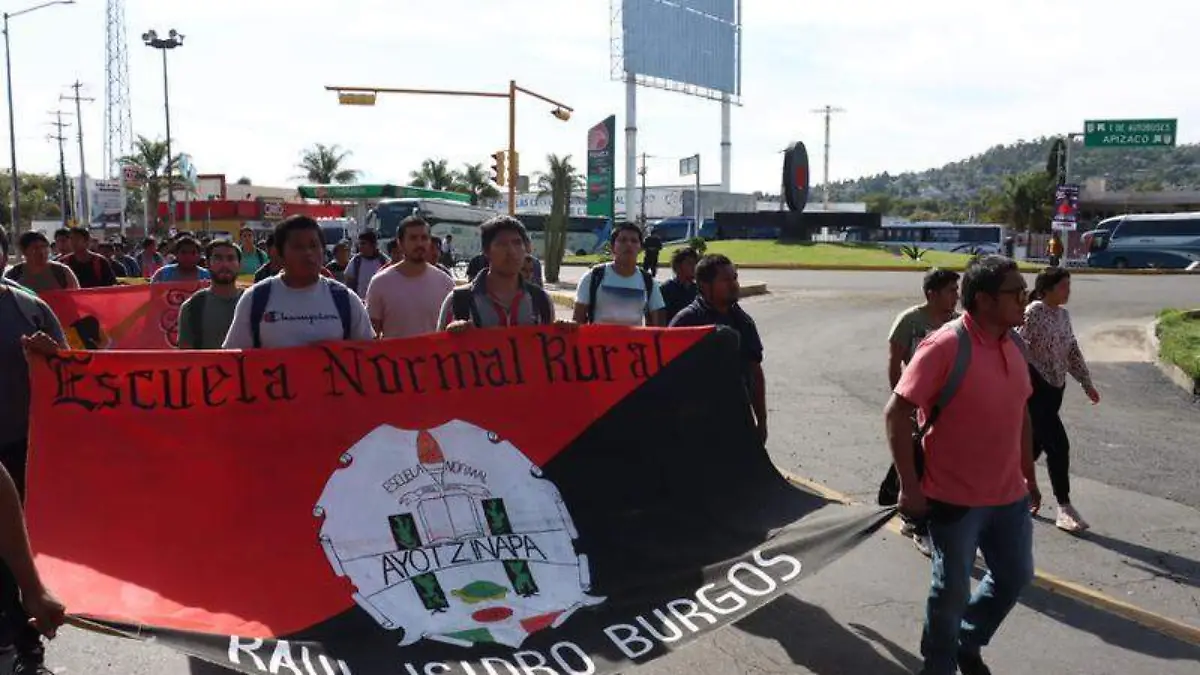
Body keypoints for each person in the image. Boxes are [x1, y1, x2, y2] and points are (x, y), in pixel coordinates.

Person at [884, 255, 1039, 675]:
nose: (1025, 299)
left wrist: (1029, 473)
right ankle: (938, 665)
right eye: (1016, 293)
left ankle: (966, 642)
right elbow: (896, 413)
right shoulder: (945, 346)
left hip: (1009, 495)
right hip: (953, 497)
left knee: (1014, 577)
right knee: (950, 591)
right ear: (985, 300)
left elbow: (1021, 412)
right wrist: (909, 486)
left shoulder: (1015, 344)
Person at [0, 226, 68, 674]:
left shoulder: (30, 308)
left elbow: (70, 370)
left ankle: (28, 650)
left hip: (20, 450)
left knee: (17, 556)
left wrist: (50, 354)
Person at [880, 268, 961, 556]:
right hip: (916, 405)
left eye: (957, 290)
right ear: (931, 294)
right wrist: (903, 405)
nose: (956, 296)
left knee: (939, 465)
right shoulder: (909, 321)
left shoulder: (956, 323)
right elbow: (894, 364)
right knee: (919, 464)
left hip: (946, 408)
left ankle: (925, 518)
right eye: (950, 290)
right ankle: (918, 524)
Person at [1017, 267, 1100, 533]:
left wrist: (1086, 383)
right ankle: (1064, 507)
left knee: (1033, 446)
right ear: (1046, 290)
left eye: (1068, 285)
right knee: (1058, 445)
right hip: (1035, 388)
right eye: (1063, 286)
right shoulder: (1034, 312)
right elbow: (1017, 345)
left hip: (1055, 388)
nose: (1068, 291)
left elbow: (1071, 350)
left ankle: (1006, 489)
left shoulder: (1063, 315)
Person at [223, 216, 374, 349]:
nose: (308, 253)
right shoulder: (255, 299)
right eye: (298, 247)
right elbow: (232, 360)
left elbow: (369, 357)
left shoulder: (346, 299)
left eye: (313, 245)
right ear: (280, 254)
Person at [669, 254, 767, 444]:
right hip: (695, 426)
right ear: (705, 285)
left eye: (735, 278)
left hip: (737, 418)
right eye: (725, 280)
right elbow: (668, 377)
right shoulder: (686, 322)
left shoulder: (743, 321)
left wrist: (761, 420)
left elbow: (755, 372)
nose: (734, 285)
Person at [438, 216, 555, 331]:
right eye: (502, 244)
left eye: (517, 243)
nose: (511, 251)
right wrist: (452, 336)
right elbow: (438, 342)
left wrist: (563, 331)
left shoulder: (541, 300)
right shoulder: (458, 302)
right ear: (486, 251)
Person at [366, 216, 456, 340]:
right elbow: (371, 334)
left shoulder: (445, 283)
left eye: (424, 238)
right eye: (413, 238)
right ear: (400, 243)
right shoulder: (380, 283)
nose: (419, 244)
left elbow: (455, 329)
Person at [573, 223, 666, 326]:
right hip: (598, 337)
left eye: (634, 241)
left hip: (635, 337)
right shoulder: (593, 276)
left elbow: (659, 326)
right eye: (623, 240)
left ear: (640, 248)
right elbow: (577, 321)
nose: (629, 244)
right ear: (612, 247)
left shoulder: (648, 281)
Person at [178, 241, 245, 350]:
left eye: (231, 258)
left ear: (240, 265)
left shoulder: (254, 301)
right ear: (207, 264)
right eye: (218, 258)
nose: (225, 264)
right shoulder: (192, 306)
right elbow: (186, 354)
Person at [4, 232, 78, 294]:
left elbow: (76, 297)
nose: (41, 252)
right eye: (35, 248)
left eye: (44, 247)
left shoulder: (62, 271)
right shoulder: (14, 274)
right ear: (24, 251)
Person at [660, 247, 699, 324]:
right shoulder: (666, 289)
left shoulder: (699, 290)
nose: (694, 267)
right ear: (678, 266)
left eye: (696, 263)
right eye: (690, 263)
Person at [344, 231, 389, 298]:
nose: (360, 246)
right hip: (359, 301)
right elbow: (348, 281)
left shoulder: (383, 260)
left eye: (363, 243)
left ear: (372, 244)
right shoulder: (356, 261)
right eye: (359, 244)